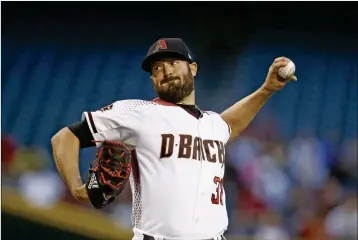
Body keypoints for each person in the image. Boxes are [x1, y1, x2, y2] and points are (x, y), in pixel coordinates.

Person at [51, 38, 296, 240]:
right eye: (156, 68)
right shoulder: (137, 112)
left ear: (193, 68)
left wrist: (266, 90)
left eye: (172, 62)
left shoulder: (212, 123)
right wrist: (77, 189)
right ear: (152, 80)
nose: (165, 71)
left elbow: (229, 124)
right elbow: (64, 138)